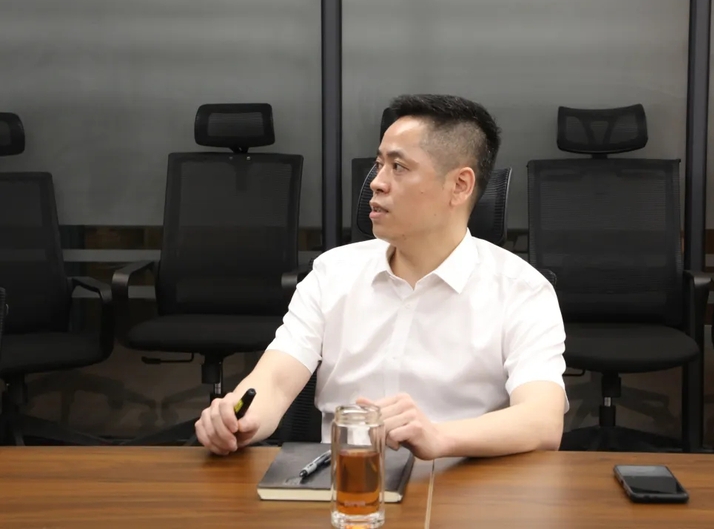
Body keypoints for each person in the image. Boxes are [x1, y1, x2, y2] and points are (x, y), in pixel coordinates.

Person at [195, 94, 568, 460]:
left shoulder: (521, 290)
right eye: (379, 164)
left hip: (465, 483)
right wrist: (237, 419)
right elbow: (274, 382)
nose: (376, 182)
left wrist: (440, 437)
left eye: (398, 167)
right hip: (344, 480)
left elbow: (542, 419)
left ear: (459, 185)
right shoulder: (332, 273)